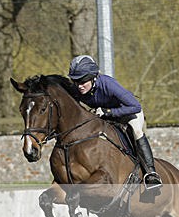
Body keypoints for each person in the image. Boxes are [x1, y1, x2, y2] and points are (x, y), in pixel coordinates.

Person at [67, 55, 162, 190]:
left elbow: (136, 106)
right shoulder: (77, 90)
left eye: (83, 81)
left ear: (93, 77)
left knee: (137, 130)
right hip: (105, 116)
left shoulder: (108, 84)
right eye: (75, 81)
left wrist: (108, 112)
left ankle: (151, 174)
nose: (79, 86)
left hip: (128, 113)